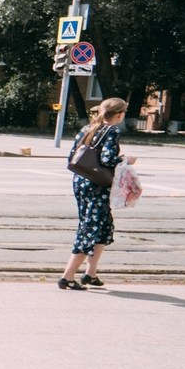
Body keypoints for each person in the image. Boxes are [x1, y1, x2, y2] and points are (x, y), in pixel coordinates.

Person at [61, 96, 128, 291]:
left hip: (81, 180)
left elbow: (73, 155)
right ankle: (67, 277)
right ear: (119, 114)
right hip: (97, 185)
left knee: (103, 225)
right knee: (91, 228)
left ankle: (90, 273)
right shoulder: (112, 130)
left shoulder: (88, 128)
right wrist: (125, 160)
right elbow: (107, 159)